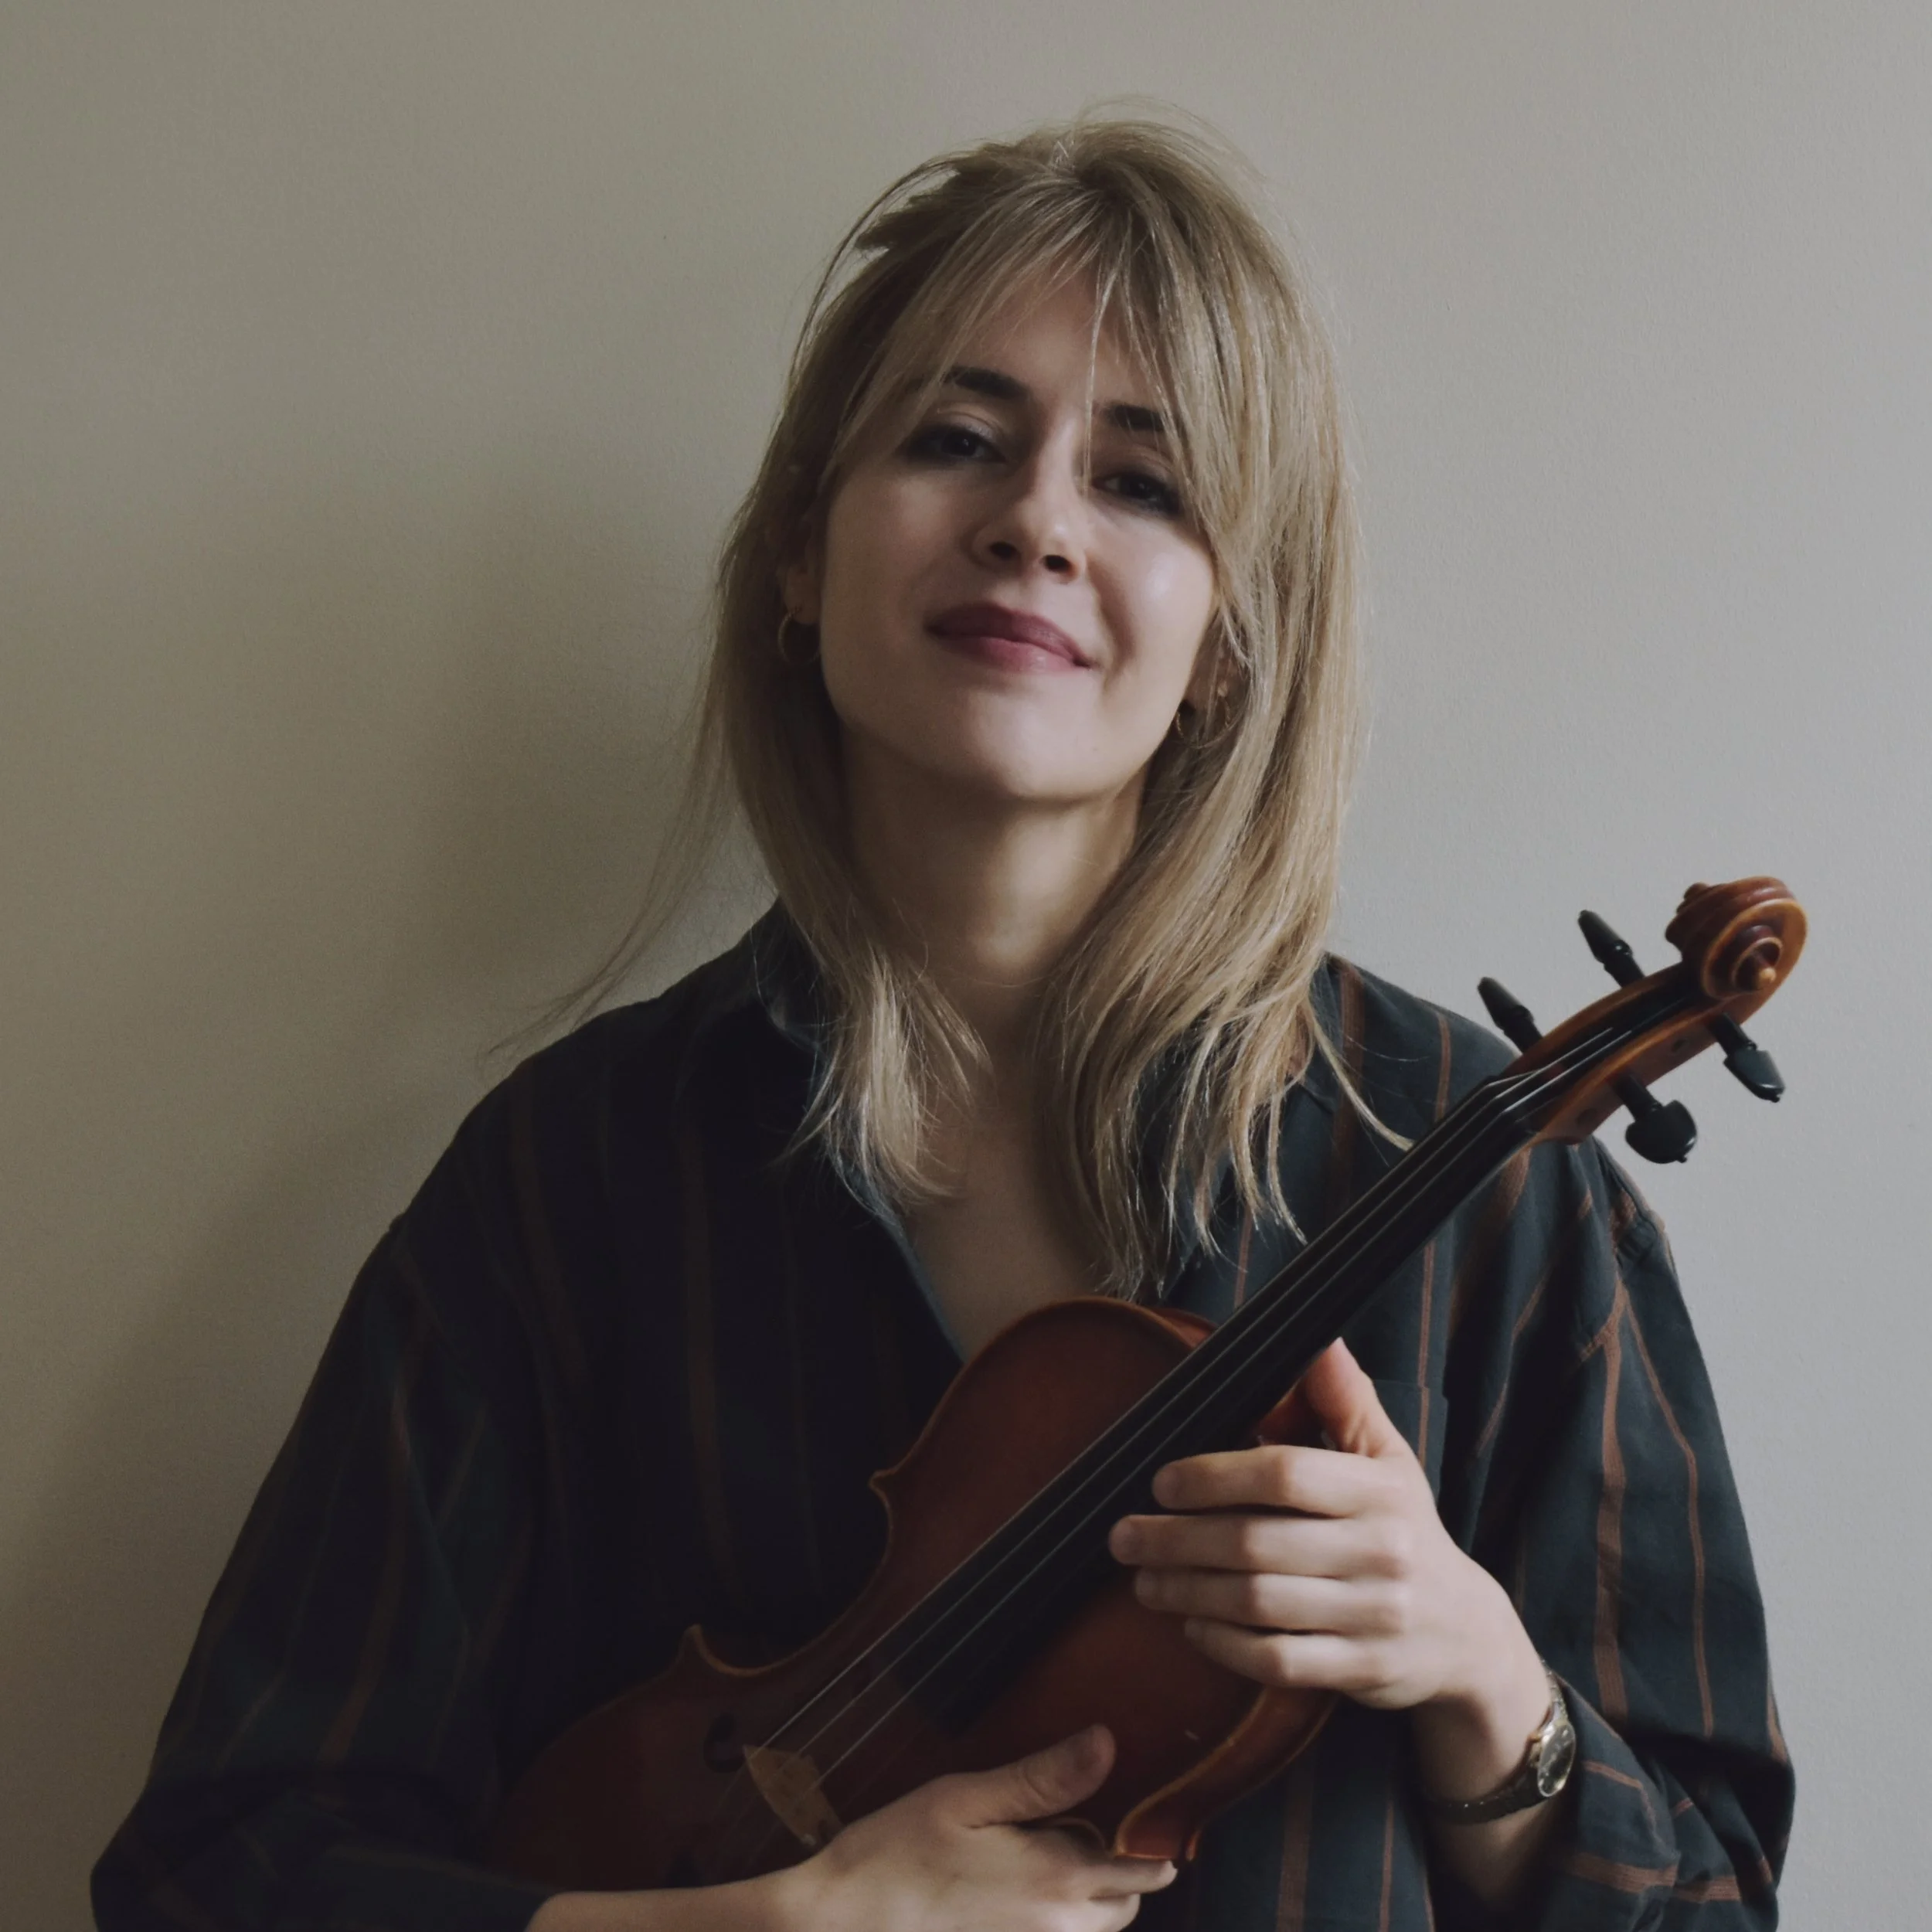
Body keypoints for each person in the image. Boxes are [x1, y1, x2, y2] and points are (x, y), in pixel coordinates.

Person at [94, 116, 1792, 1932]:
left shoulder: (1493, 1191)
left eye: (1142, 483)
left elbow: (1708, 1904)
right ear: (801, 559)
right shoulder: (569, 1178)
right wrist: (729, 1928)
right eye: (956, 439)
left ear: (1226, 638)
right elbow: (218, 1870)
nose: (1035, 521)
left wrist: (1478, 1676)